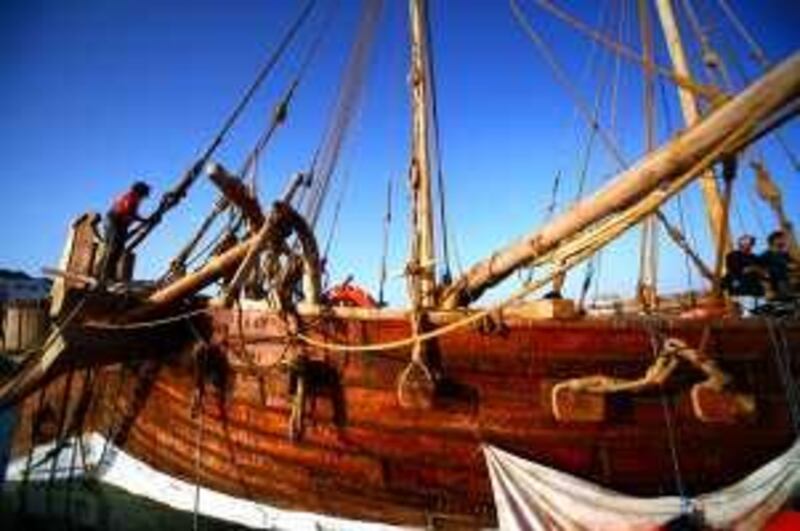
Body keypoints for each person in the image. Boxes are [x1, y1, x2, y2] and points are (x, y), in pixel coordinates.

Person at [98, 181, 152, 283]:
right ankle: (102, 275)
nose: (144, 198)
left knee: (117, 250)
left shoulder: (134, 198)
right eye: (145, 195)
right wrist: (143, 220)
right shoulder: (131, 197)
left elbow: (130, 214)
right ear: (140, 192)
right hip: (114, 222)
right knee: (113, 249)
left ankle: (109, 275)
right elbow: (127, 212)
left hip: (119, 224)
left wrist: (142, 220)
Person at [760, 230, 793, 300]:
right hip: (775, 284)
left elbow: (792, 265)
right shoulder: (765, 255)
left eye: (784, 239)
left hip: (787, 281)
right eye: (781, 239)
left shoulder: (784, 255)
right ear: (774, 241)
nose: (784, 241)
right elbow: (760, 269)